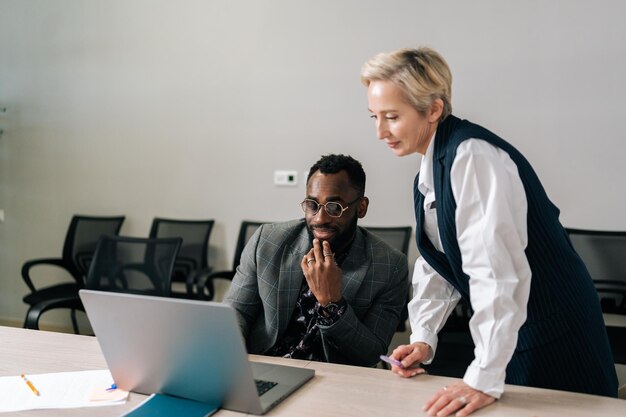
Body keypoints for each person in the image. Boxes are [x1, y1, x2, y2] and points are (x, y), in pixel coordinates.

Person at [361, 47, 618, 416]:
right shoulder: (429, 170)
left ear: (433, 109)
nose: (380, 131)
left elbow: (495, 275)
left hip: (552, 333)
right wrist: (423, 337)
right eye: (374, 117)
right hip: (511, 332)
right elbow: (439, 264)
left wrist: (481, 377)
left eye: (391, 117)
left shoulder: (473, 157)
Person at [224, 154, 409, 367]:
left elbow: (371, 354)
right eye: (312, 204)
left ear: (361, 207)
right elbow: (236, 310)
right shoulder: (267, 241)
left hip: (332, 378)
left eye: (334, 207)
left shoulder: (389, 266)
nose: (320, 218)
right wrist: (233, 353)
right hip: (264, 364)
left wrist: (332, 303)